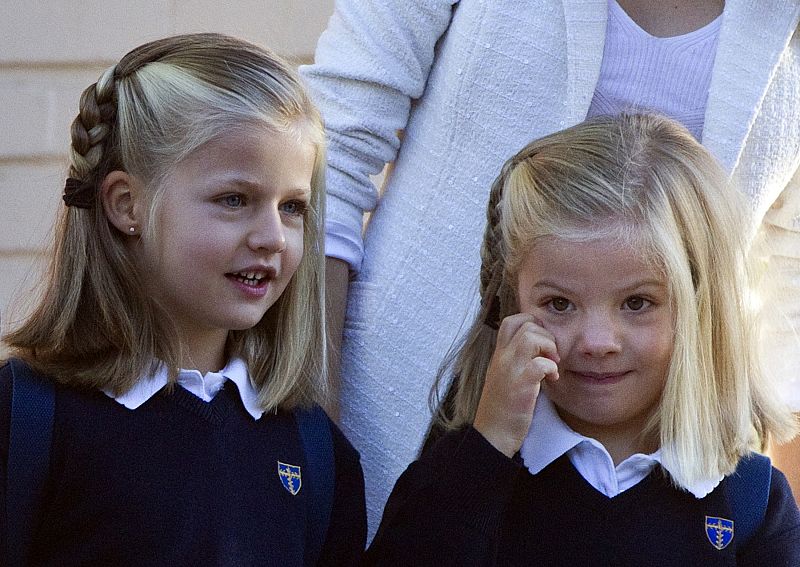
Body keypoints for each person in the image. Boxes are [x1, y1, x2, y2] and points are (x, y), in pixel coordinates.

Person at [300, 0, 800, 533]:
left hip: (665, 477)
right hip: (398, 412)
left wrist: (759, 505)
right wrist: (315, 422)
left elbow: (787, 269)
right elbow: (327, 152)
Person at [364, 113, 800, 565]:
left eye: (636, 303)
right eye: (559, 304)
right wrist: (488, 446)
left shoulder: (749, 499)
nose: (597, 342)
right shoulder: (464, 466)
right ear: (510, 302)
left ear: (700, 306)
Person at [0, 33, 365, 566]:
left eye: (292, 207)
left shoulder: (318, 454)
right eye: (234, 200)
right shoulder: (26, 422)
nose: (273, 237)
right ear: (128, 205)